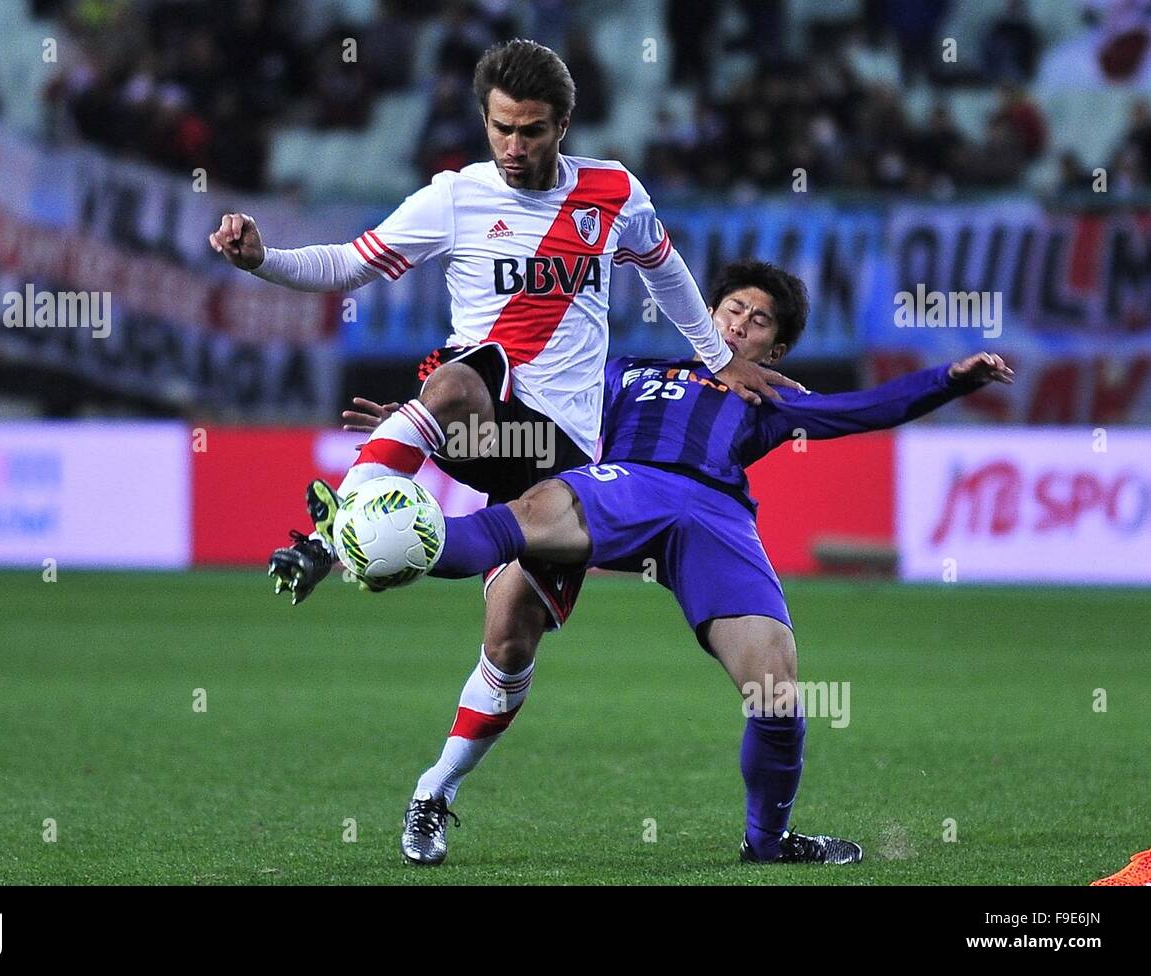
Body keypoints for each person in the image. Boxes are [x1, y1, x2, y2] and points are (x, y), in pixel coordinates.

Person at [208, 39, 795, 865]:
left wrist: (715, 355)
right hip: (483, 409)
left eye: (532, 132)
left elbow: (666, 274)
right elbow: (347, 262)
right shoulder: (456, 196)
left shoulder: (614, 193)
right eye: (500, 129)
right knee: (459, 374)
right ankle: (331, 531)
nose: (513, 149)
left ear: (564, 126)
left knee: (510, 641)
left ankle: (434, 791)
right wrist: (260, 258)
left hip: (559, 458)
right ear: (483, 119)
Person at [344, 260, 1014, 864]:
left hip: (716, 517)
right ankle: (375, 552)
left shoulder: (772, 395)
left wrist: (947, 381)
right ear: (707, 314)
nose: (741, 324)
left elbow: (862, 408)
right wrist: (421, 430)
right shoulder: (625, 370)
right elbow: (526, 421)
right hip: (626, 482)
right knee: (516, 574)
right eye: (732, 309)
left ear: (773, 348)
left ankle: (768, 841)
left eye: (758, 322)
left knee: (776, 688)